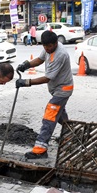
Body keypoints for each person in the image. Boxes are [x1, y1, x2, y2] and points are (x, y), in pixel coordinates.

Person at [16, 30, 74, 159]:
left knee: (50, 115)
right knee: (59, 116)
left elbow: (48, 78)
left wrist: (26, 82)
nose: (46, 49)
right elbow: (40, 59)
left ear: (55, 43)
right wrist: (26, 64)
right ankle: (71, 135)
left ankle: (40, 149)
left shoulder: (60, 54)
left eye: (49, 46)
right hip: (56, 89)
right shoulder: (48, 48)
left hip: (63, 90)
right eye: (44, 46)